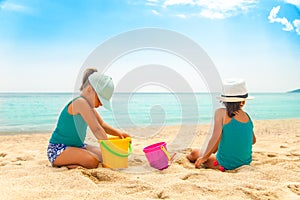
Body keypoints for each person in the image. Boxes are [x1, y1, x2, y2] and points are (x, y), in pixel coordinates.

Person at [47, 68, 130, 169]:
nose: (100, 104)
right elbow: (97, 129)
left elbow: (102, 125)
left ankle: (73, 160)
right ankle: (61, 163)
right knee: (92, 161)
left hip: (77, 146)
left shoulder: (89, 107)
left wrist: (118, 133)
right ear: (89, 90)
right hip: (58, 149)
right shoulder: (80, 103)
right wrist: (109, 148)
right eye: (100, 100)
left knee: (102, 157)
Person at [187, 79, 256, 171]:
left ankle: (187, 156)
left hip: (225, 163)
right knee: (220, 143)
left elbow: (216, 137)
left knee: (195, 153)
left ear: (224, 100)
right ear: (243, 102)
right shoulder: (247, 116)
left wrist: (204, 158)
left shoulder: (220, 113)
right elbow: (253, 140)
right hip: (245, 162)